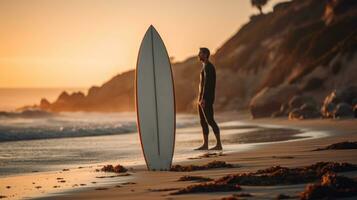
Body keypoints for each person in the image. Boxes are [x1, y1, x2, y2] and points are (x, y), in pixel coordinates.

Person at [195, 47, 222, 150]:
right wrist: (200, 98)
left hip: (206, 99)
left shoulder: (209, 67)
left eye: (200, 53)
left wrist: (203, 99)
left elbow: (207, 84)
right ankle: (205, 144)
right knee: (203, 121)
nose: (198, 55)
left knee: (210, 120)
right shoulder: (204, 66)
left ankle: (219, 144)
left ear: (205, 54)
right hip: (202, 99)